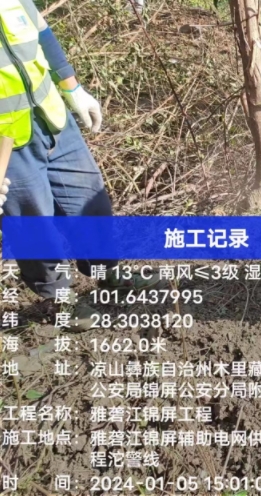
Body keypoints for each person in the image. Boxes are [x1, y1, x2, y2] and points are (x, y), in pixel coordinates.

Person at [0, 0, 160, 332]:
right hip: (7, 143)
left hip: (53, 119)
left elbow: (42, 35)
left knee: (89, 198)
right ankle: (57, 298)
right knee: (32, 221)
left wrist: (72, 88)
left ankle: (107, 271)